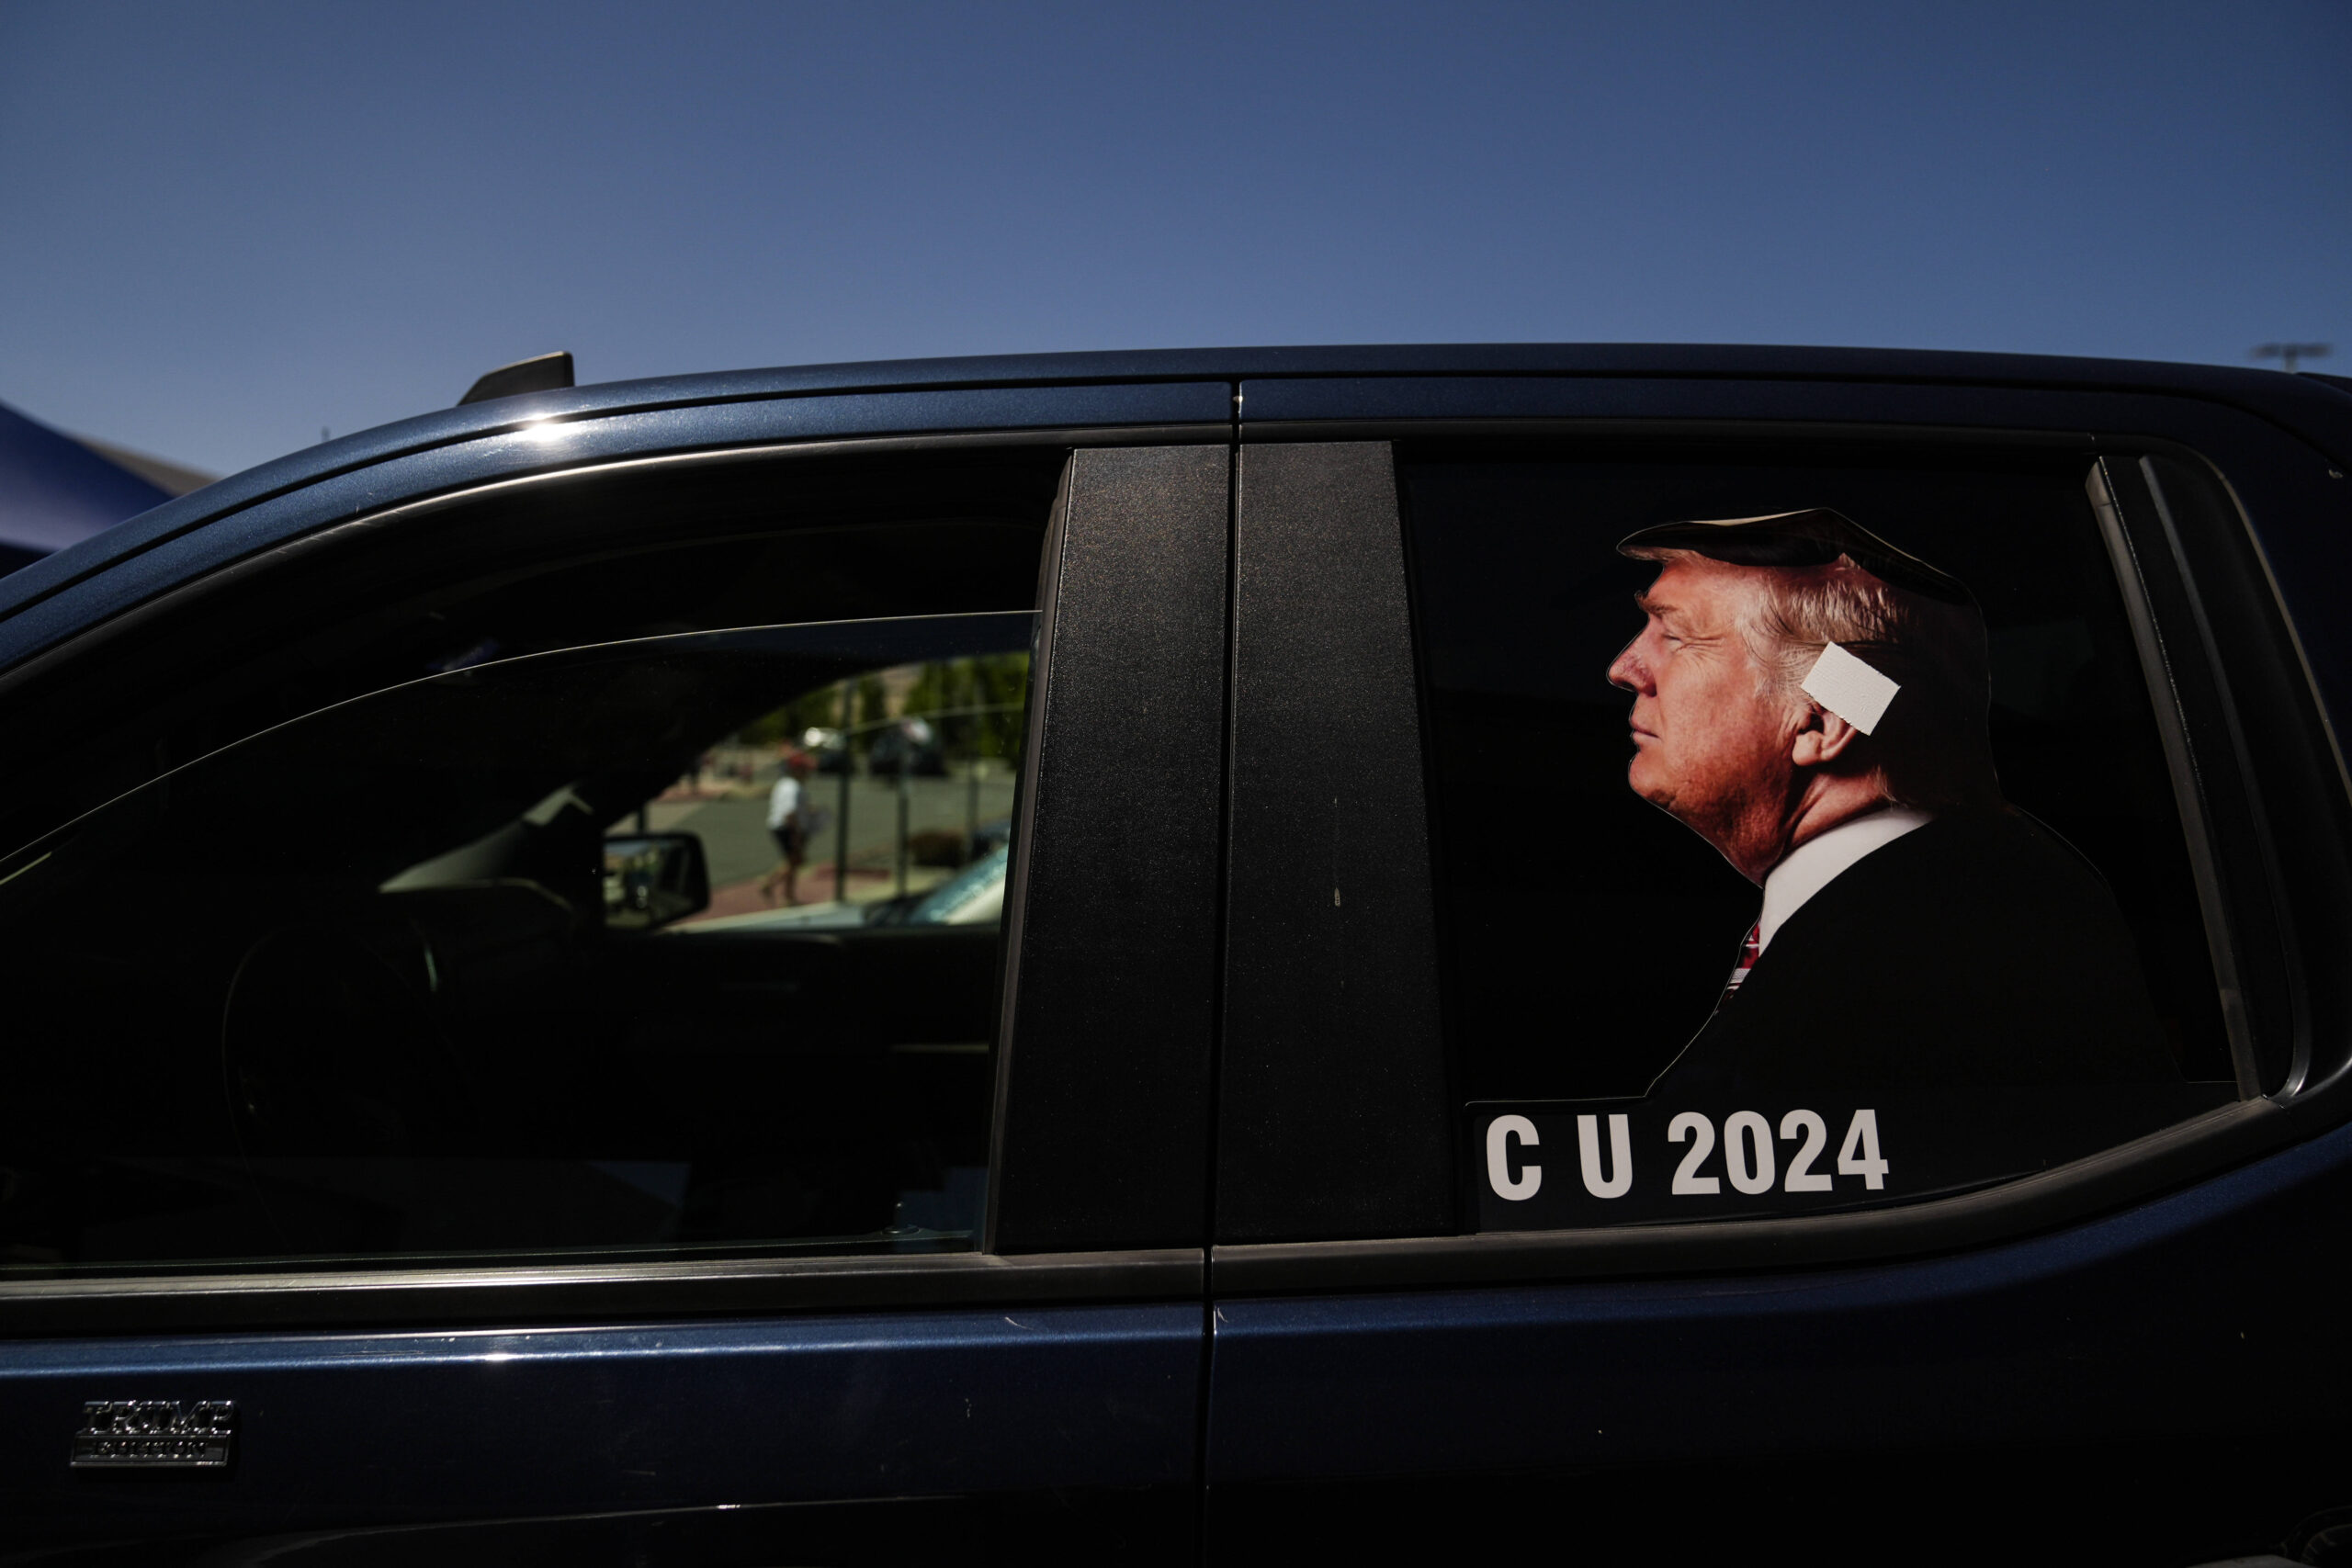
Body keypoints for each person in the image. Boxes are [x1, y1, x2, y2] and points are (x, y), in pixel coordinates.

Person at [1603, 508, 2177, 1097]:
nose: (1624, 669)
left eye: (1674, 636)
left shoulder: (1936, 954)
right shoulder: (1990, 890)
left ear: (1821, 724)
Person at [761, 749, 818, 906]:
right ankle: (777, 890)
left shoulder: (785, 784)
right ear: (797, 770)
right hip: (786, 828)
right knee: (794, 861)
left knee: (793, 861)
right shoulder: (793, 787)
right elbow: (789, 813)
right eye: (805, 770)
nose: (808, 773)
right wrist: (796, 835)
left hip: (780, 826)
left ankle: (785, 894)